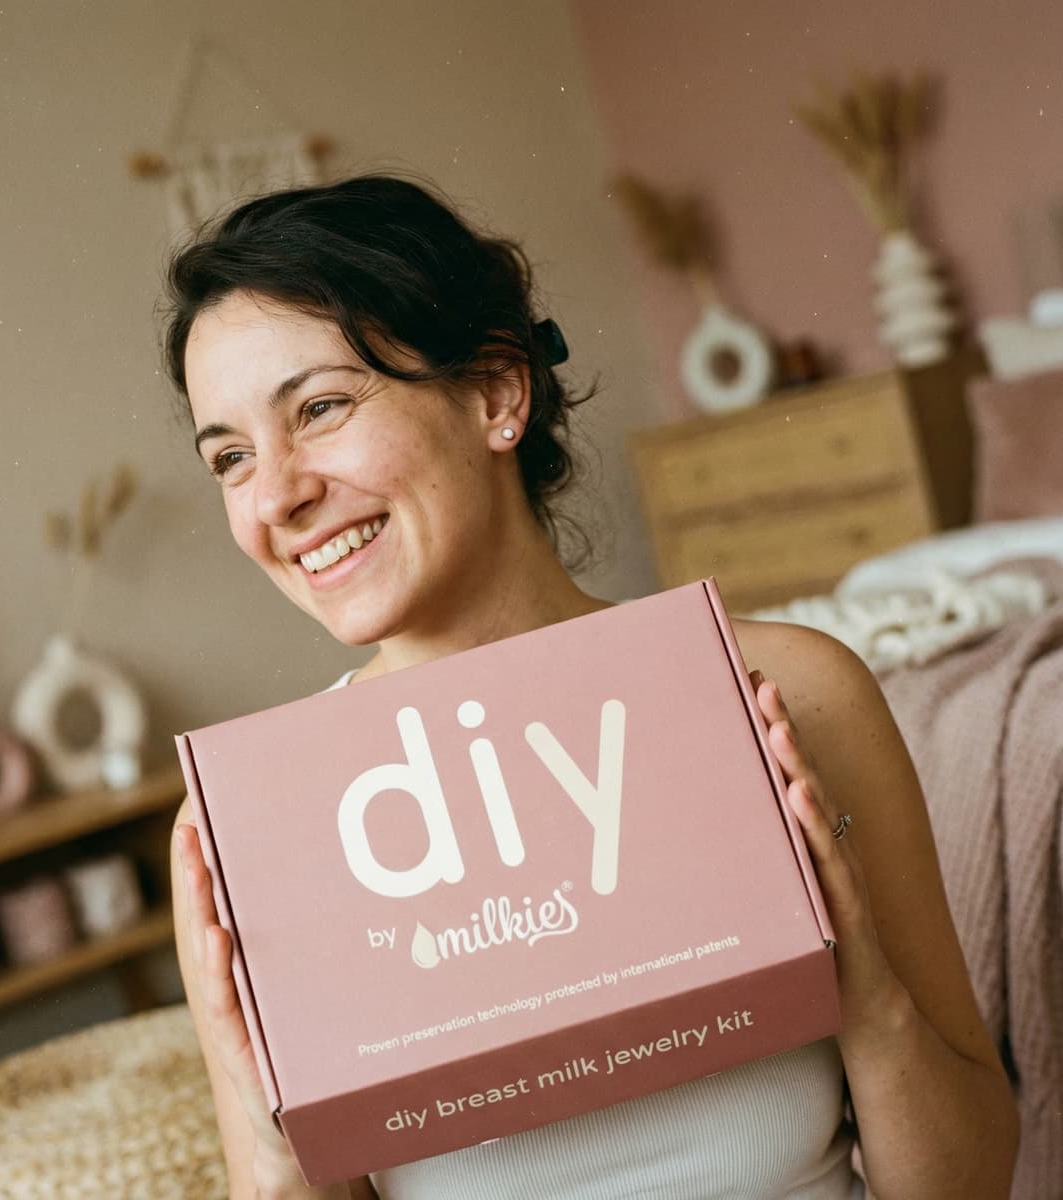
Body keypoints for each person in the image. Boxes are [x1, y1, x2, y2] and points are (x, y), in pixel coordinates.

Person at [164, 175, 1017, 1200]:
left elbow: (972, 1179)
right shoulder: (258, 832)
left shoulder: (787, 695)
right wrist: (271, 1143)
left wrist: (868, 994)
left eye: (323, 407)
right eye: (231, 458)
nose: (277, 497)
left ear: (495, 392)